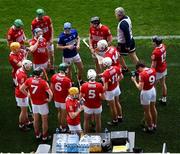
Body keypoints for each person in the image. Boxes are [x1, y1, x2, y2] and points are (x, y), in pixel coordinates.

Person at [20, 67, 53, 142]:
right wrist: (49, 100)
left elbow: (22, 88)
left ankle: (37, 134)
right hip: (43, 103)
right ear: (40, 74)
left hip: (34, 103)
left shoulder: (29, 80)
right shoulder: (43, 82)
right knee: (44, 120)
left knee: (36, 119)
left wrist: (28, 94)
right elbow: (50, 94)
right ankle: (44, 136)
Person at [131, 62, 157, 133]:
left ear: (139, 67)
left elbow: (140, 88)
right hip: (153, 90)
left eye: (138, 69)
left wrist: (134, 81)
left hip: (146, 92)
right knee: (153, 108)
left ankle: (150, 127)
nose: (138, 71)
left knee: (147, 111)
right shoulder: (152, 70)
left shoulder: (142, 74)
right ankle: (154, 124)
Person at [80, 69, 105, 133]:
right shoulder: (99, 85)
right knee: (98, 121)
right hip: (97, 106)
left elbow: (80, 97)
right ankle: (98, 135)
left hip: (88, 106)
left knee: (86, 121)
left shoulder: (84, 85)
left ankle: (86, 134)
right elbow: (103, 98)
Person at [115, 7, 139, 72]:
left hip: (124, 43)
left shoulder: (122, 24)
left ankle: (124, 68)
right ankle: (140, 70)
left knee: (117, 55)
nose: (115, 16)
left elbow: (127, 35)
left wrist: (127, 46)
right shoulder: (127, 18)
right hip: (131, 40)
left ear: (119, 15)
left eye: (116, 14)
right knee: (133, 55)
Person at [101, 57, 123, 126]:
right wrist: (116, 82)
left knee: (112, 107)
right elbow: (121, 76)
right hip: (116, 88)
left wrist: (100, 90)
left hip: (110, 91)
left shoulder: (106, 74)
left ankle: (115, 120)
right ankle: (120, 117)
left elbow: (106, 87)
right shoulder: (116, 68)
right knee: (117, 103)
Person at [50, 63, 72, 132]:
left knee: (59, 112)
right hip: (64, 99)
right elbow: (70, 91)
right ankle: (63, 127)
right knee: (64, 114)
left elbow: (52, 88)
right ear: (65, 70)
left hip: (56, 98)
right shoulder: (67, 80)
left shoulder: (54, 76)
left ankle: (60, 125)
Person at [15, 59, 33, 131]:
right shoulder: (21, 75)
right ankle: (21, 125)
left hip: (20, 93)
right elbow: (21, 88)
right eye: (28, 67)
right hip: (21, 95)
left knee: (25, 110)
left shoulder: (20, 70)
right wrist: (28, 94)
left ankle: (27, 122)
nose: (29, 69)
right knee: (23, 111)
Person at [151, 36, 167, 105]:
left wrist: (150, 71)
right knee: (163, 84)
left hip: (158, 71)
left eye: (153, 41)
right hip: (164, 67)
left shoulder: (155, 52)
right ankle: (164, 99)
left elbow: (153, 65)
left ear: (155, 43)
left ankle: (153, 101)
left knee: (153, 86)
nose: (152, 42)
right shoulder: (163, 46)